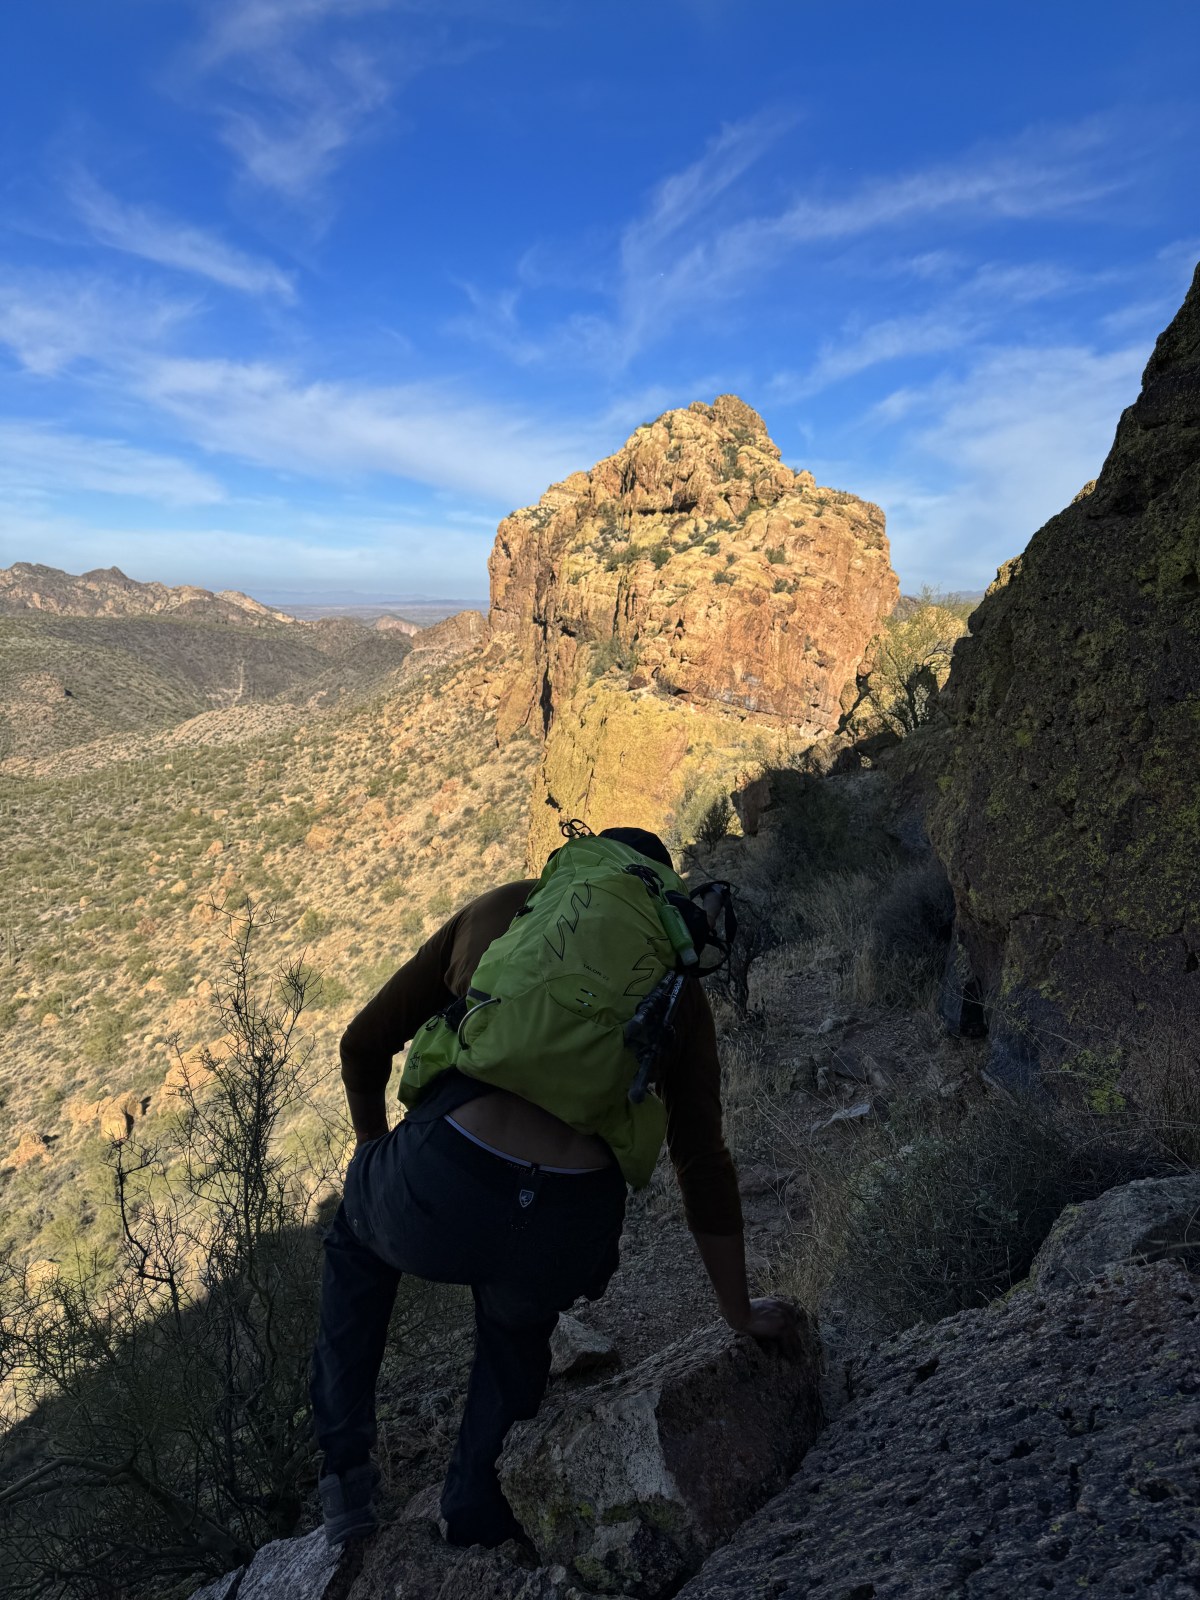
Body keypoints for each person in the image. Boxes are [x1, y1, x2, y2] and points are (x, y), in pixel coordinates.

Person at [310, 826, 794, 1549]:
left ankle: (345, 1477)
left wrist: (378, 1159)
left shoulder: (502, 910)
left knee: (355, 1237)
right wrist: (737, 1312)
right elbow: (703, 1163)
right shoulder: (673, 980)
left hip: (441, 1183)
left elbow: (361, 1044)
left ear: (578, 869)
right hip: (569, 1224)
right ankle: (474, 1504)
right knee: (517, 1318)